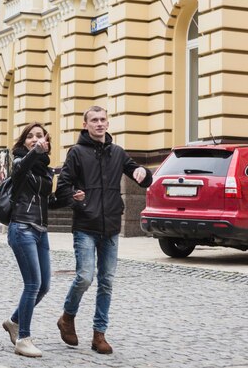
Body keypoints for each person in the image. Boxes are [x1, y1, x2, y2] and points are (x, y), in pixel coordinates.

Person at [54, 106, 152, 354]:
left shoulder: (117, 152)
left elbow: (139, 174)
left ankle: (99, 334)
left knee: (106, 282)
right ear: (85, 125)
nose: (99, 124)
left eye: (102, 120)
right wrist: (76, 198)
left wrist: (144, 172)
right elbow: (62, 188)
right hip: (85, 225)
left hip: (110, 227)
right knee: (85, 277)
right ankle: (67, 317)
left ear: (108, 124)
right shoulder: (76, 153)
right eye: (94, 120)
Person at [1, 122, 59, 358]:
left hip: (40, 231)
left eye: (39, 136)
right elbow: (22, 169)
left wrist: (73, 199)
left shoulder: (45, 169)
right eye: (30, 136)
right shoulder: (18, 162)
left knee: (44, 286)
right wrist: (36, 152)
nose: (35, 139)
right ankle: (23, 338)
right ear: (23, 142)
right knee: (33, 284)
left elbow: (47, 201)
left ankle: (14, 321)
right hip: (22, 227)